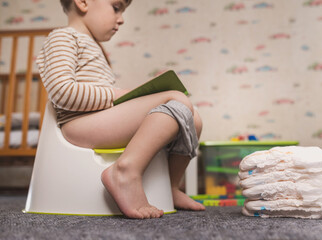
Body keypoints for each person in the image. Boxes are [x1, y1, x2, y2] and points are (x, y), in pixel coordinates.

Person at [36, 0, 205, 219]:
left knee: (194, 117)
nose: (121, 19)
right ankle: (125, 171)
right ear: (83, 2)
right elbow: (62, 92)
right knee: (178, 99)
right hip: (79, 124)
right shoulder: (62, 37)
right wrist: (121, 95)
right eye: (116, 8)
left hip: (99, 120)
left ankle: (171, 186)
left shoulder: (94, 47)